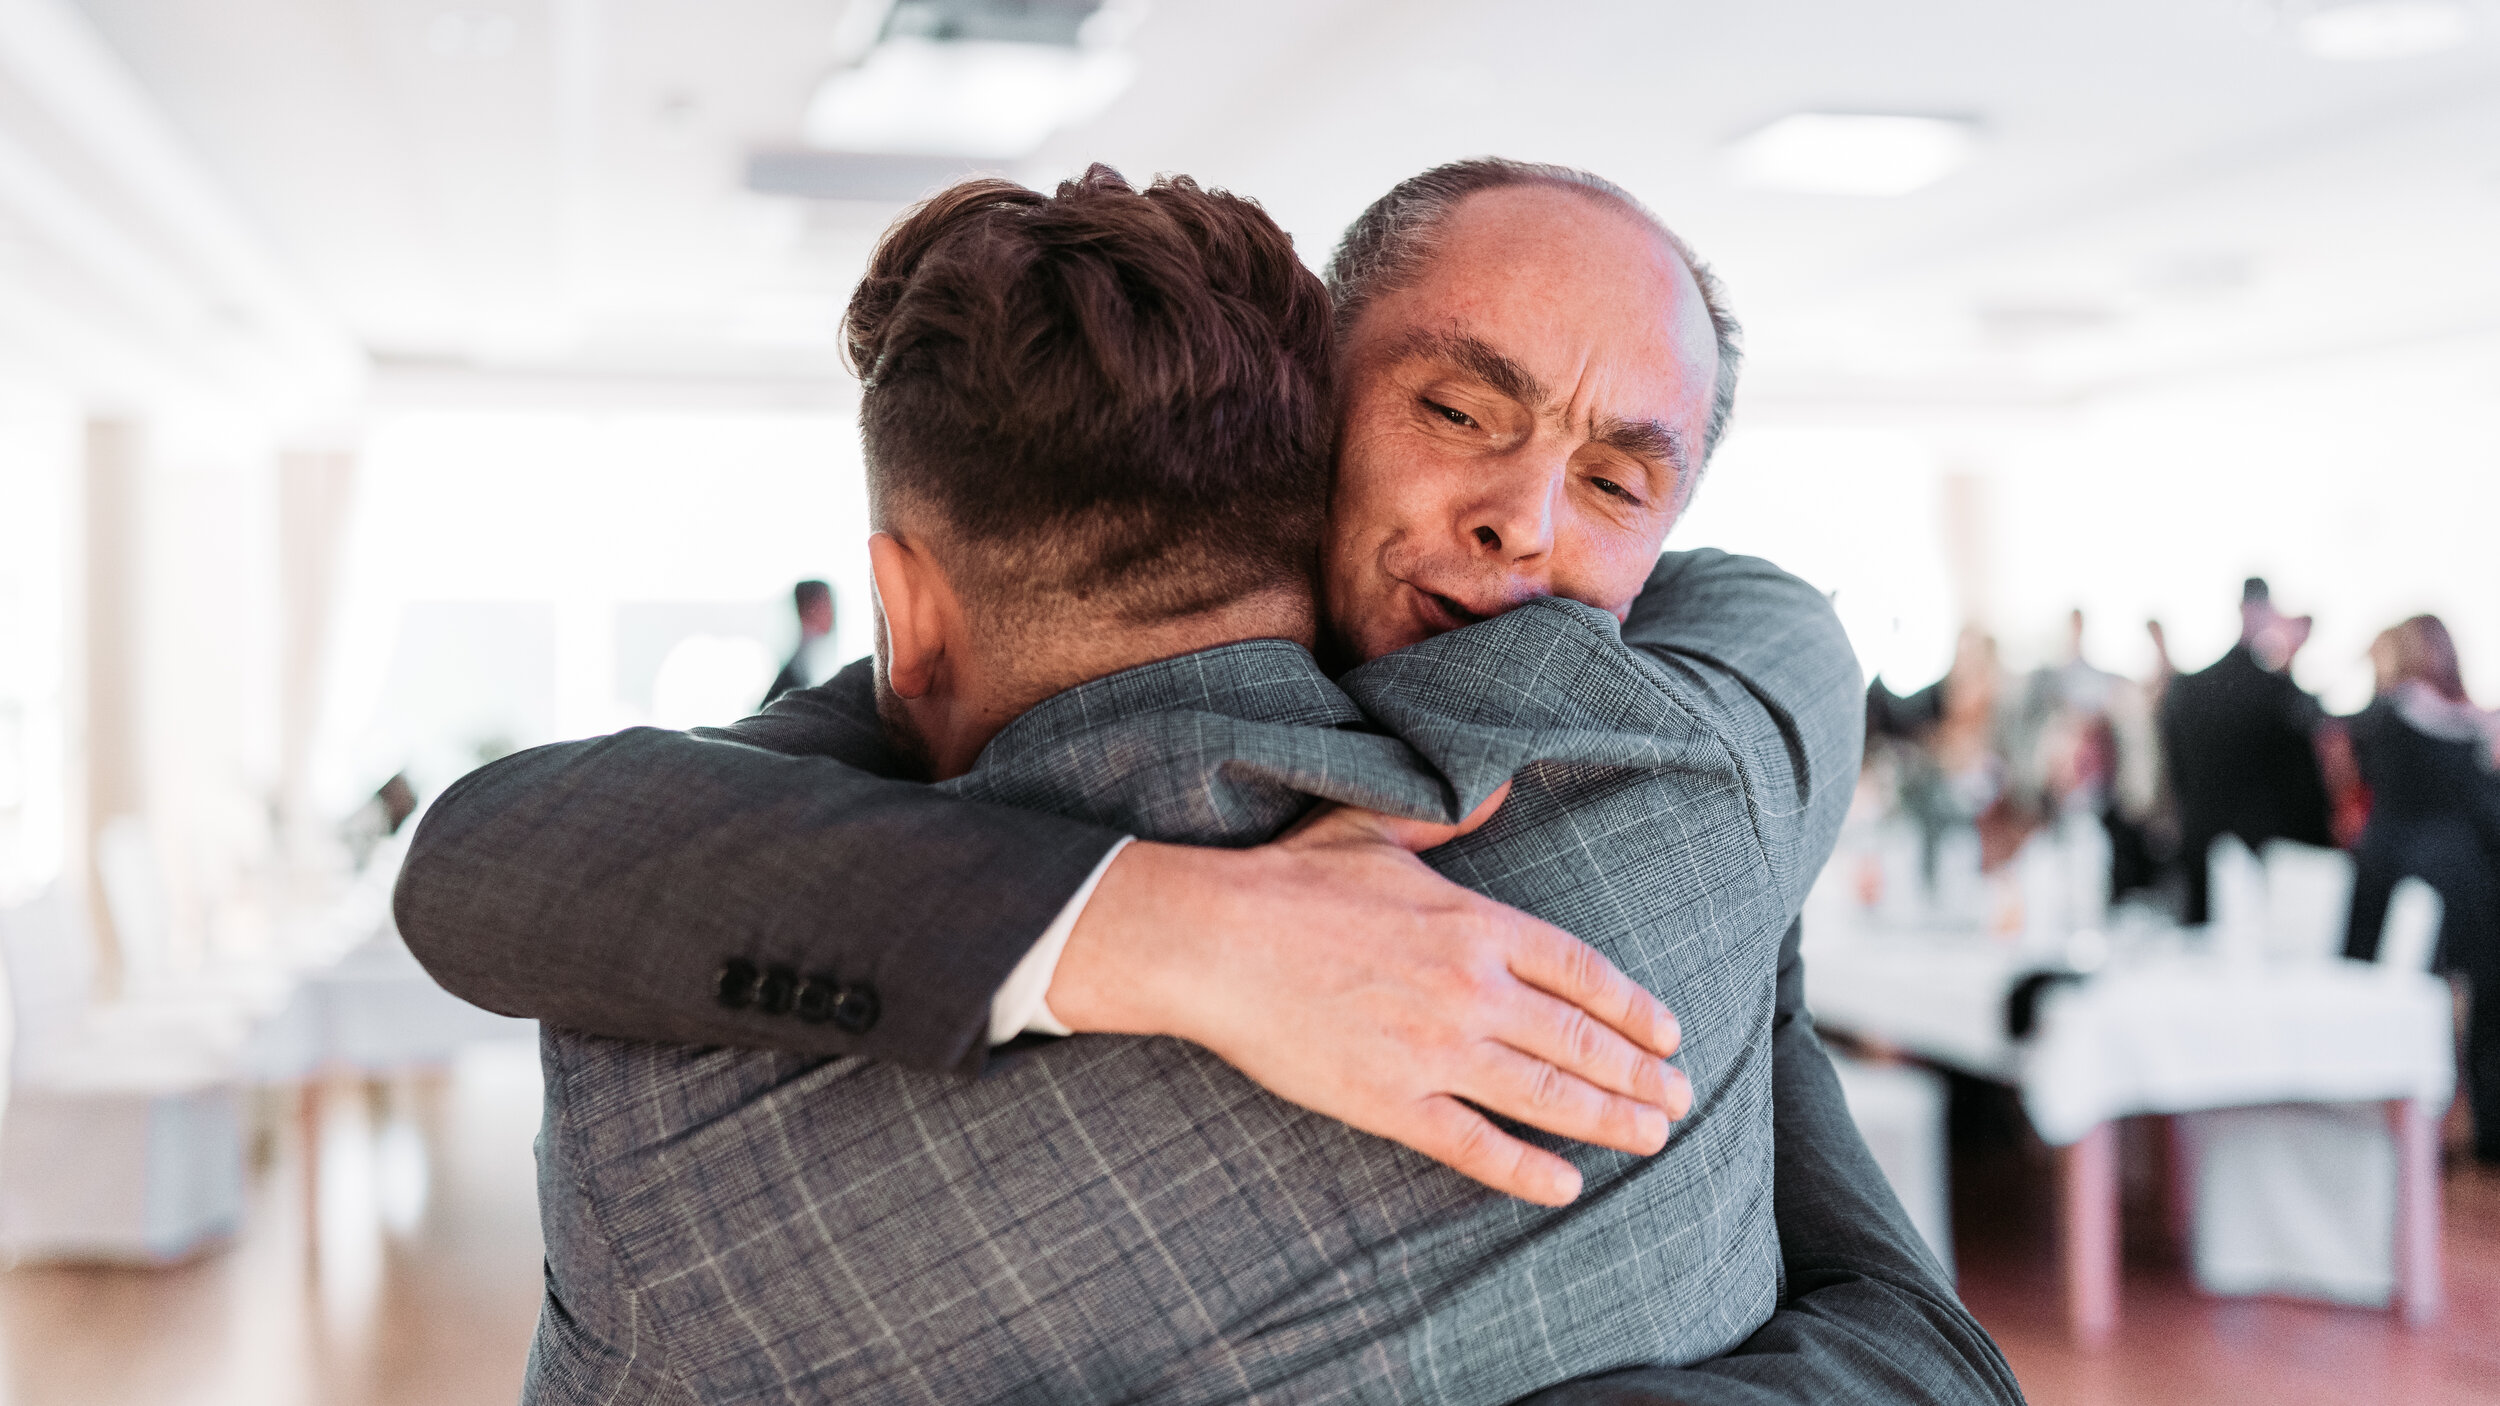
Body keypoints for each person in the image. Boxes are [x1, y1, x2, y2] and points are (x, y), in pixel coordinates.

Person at [402, 160, 2018, 1405]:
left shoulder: (651, 1128)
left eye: (1614, 481)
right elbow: (507, 852)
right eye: (1458, 409)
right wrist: (1175, 929)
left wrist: (1750, 932)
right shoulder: (1692, 787)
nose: (1526, 524)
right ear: (1313, 407)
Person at [2341, 615, 2500, 1161]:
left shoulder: (2385, 718)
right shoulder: (2473, 729)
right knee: (2475, 1006)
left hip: (2392, 877)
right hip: (2463, 880)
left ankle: (2401, 1126)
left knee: (2404, 1006)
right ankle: (2478, 1125)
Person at [2159, 577, 2334, 924]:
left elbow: (2174, 775)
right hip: (2265, 859)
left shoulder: (2185, 691)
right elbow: (2305, 787)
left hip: (2201, 849)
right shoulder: (2279, 695)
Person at [760, 578, 834, 706]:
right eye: (825, 603)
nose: (831, 612)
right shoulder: (805, 662)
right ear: (810, 607)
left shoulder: (810, 655)